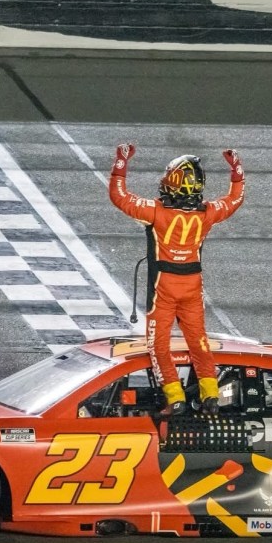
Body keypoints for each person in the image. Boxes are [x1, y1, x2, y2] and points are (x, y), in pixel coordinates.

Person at [109, 144, 245, 416]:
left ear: (172, 182)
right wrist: (237, 171)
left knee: (158, 345)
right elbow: (235, 199)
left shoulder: (155, 211)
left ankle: (175, 398)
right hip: (193, 287)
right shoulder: (208, 213)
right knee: (199, 342)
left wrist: (121, 162)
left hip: (164, 289)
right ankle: (211, 396)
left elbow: (119, 196)